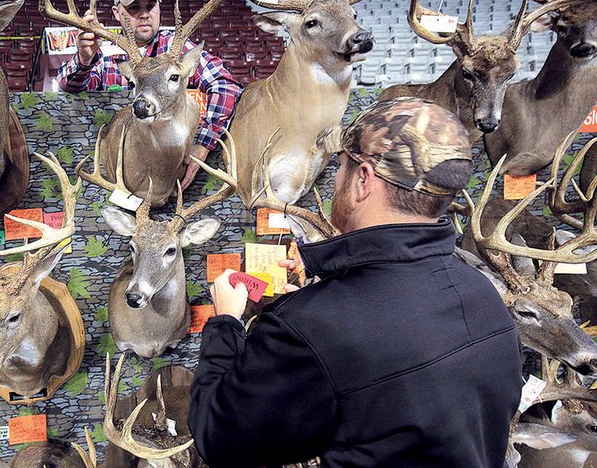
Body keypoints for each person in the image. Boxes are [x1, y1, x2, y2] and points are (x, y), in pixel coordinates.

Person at [188, 98, 523, 467]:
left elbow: (221, 440)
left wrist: (226, 324)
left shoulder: (311, 327)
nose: (335, 178)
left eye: (341, 165)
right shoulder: (482, 294)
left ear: (363, 179)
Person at [56, 0, 243, 189]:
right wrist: (84, 59)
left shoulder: (177, 49)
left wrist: (204, 142)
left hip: (173, 176)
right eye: (134, 8)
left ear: (158, 9)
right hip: (123, 176)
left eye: (150, 6)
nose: (144, 14)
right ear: (117, 13)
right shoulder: (106, 56)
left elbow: (225, 84)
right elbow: (68, 88)